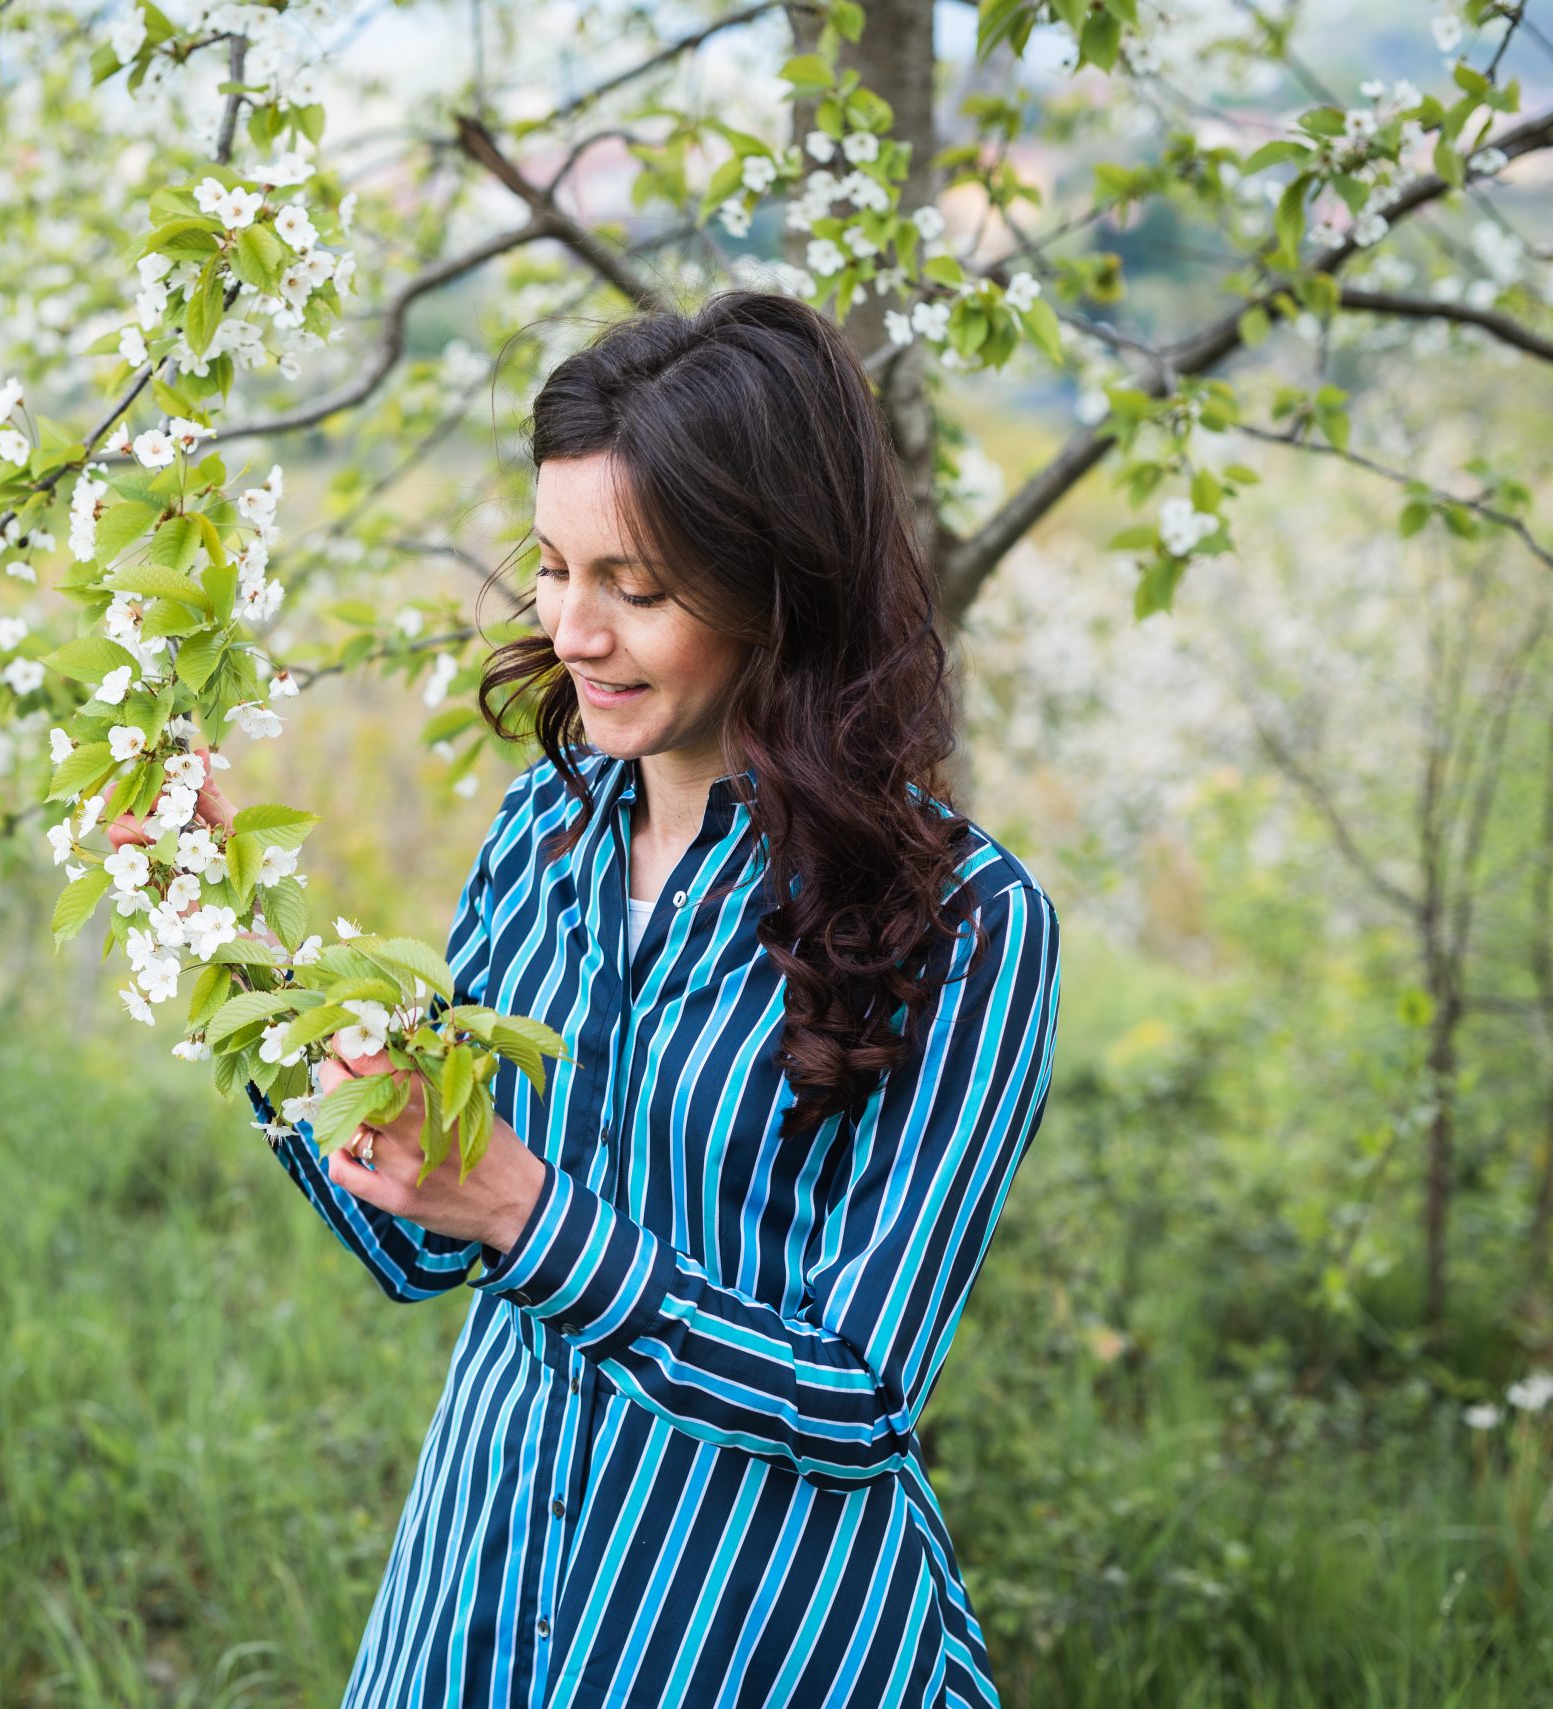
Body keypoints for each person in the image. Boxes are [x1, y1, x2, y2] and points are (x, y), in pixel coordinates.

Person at [183, 288, 1060, 1706]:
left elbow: (861, 1391)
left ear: (782, 587)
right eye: (552, 568)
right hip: (477, 1604)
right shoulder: (545, 830)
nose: (573, 630)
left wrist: (535, 1215)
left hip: (747, 1638)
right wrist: (236, 942)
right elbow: (420, 1244)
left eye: (635, 588)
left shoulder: (965, 923)